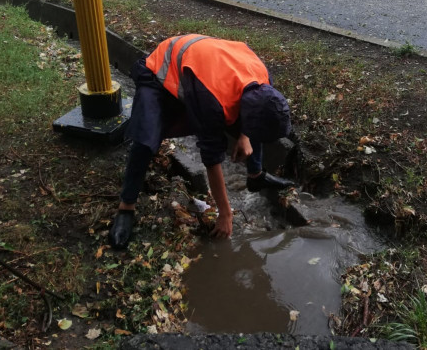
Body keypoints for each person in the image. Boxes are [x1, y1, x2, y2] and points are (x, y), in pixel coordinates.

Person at [109, 34, 295, 250]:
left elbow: (254, 116)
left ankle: (256, 177)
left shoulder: (263, 82)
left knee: (257, 125)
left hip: (201, 68)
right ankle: (126, 207)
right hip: (160, 69)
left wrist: (245, 136)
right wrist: (225, 213)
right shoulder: (211, 99)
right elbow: (211, 155)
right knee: (147, 136)